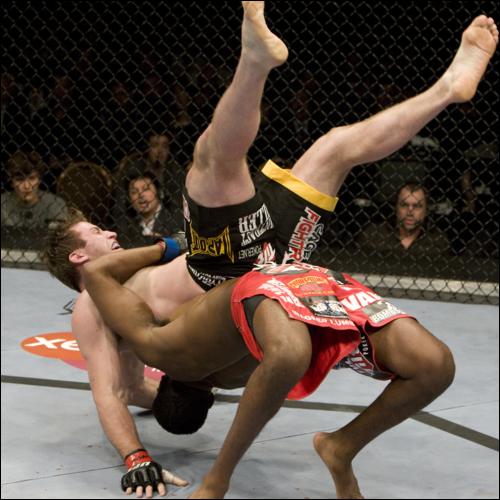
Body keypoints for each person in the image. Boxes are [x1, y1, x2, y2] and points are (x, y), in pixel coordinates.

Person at [42, 3, 498, 497]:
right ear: (78, 257)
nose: (108, 232)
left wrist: (179, 402)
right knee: (212, 162)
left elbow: (136, 387)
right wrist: (135, 455)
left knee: (336, 147)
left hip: (268, 270)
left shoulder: (136, 300)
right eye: (94, 233)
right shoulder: (92, 304)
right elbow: (111, 389)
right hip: (234, 274)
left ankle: (447, 88)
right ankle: (254, 62)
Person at [81, 242, 455, 500]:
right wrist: (165, 247)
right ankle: (339, 446)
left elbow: (96, 272)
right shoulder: (171, 352)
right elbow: (97, 272)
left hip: (275, 286)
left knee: (289, 355)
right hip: (314, 286)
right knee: (435, 365)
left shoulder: (169, 351)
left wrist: (174, 247)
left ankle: (216, 482)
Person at [357, 180, 450, 261]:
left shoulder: (438, 241)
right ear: (396, 208)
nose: (410, 212)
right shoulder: (373, 235)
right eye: (404, 205)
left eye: (417, 206)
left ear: (426, 211)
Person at [1, 151, 69, 230]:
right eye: (20, 180)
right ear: (11, 182)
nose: (27, 186)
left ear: (39, 180)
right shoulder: (2, 204)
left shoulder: (55, 204)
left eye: (32, 178)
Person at [116, 170, 183, 246]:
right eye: (134, 192)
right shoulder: (125, 225)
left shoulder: (177, 218)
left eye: (146, 189)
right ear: (129, 199)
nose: (140, 195)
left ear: (158, 192)